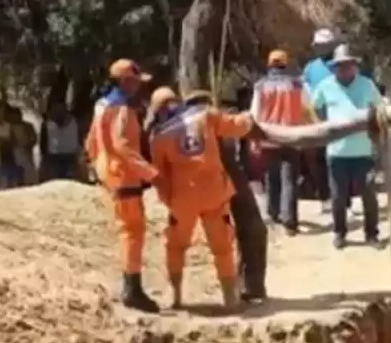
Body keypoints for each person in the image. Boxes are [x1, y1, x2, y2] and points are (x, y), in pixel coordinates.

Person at [147, 86, 260, 311]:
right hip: (215, 194)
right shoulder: (205, 116)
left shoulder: (158, 138)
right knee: (223, 246)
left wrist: (170, 200)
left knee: (176, 246)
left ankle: (175, 295)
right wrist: (248, 118)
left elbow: (160, 175)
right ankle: (230, 298)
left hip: (183, 199)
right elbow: (235, 126)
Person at [85, 58, 161, 313]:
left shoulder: (101, 105)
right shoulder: (122, 110)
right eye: (136, 82)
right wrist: (151, 174)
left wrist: (98, 166)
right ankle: (132, 288)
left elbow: (90, 143)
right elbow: (123, 146)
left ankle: (130, 285)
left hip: (109, 174)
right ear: (126, 81)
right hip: (124, 177)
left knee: (125, 231)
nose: (139, 87)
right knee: (132, 232)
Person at [186, 90, 271, 302]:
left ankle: (241, 290)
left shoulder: (175, 127)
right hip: (221, 180)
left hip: (192, 186)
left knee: (227, 238)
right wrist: (248, 119)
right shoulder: (209, 119)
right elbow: (240, 124)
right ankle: (247, 288)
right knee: (248, 231)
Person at [310, 44, 383, 249]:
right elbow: (314, 106)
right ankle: (340, 233)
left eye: (348, 65)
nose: (344, 69)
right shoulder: (325, 86)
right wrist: (324, 126)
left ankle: (371, 234)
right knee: (338, 197)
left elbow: (380, 109)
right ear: (334, 68)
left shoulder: (367, 85)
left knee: (368, 194)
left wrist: (376, 134)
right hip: (337, 151)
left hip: (363, 150)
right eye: (340, 66)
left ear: (355, 66)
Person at [251, 49, 311, 235]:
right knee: (289, 180)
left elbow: (254, 113)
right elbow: (307, 107)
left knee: (272, 177)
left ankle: (273, 213)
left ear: (269, 65)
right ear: (286, 64)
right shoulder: (296, 85)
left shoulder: (260, 86)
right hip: (291, 137)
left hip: (269, 138)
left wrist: (254, 138)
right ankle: (290, 222)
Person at [303, 28, 339, 216]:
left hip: (340, 120)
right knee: (320, 161)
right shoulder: (310, 68)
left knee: (339, 160)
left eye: (324, 45)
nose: (321, 48)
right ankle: (325, 198)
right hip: (317, 120)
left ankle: (343, 201)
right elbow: (305, 92)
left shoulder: (340, 64)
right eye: (318, 46)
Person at [40, 99, 81, 181]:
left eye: (61, 108)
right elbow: (43, 142)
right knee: (55, 181)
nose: (59, 110)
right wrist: (44, 158)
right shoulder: (47, 123)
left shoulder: (74, 121)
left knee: (71, 181)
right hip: (54, 157)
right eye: (56, 108)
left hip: (70, 156)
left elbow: (79, 137)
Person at [8, 106, 39, 186]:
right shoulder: (9, 127)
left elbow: (34, 138)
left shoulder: (28, 126)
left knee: (29, 173)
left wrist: (29, 145)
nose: (16, 117)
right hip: (14, 153)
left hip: (27, 152)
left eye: (18, 115)